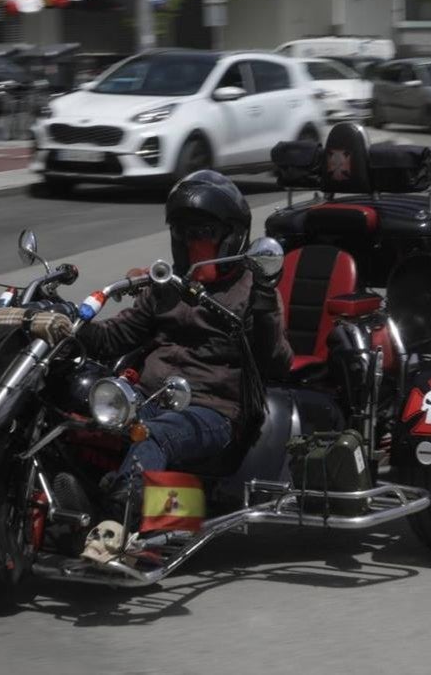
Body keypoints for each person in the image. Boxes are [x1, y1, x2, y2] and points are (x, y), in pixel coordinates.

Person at [74, 170, 293, 560]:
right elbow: (116, 336)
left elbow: (276, 361)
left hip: (212, 411)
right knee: (77, 414)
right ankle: (66, 506)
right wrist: (70, 324)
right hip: (148, 396)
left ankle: (115, 526)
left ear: (230, 234)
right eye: (185, 232)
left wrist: (264, 312)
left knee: (155, 436)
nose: (194, 243)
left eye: (203, 231)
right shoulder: (167, 286)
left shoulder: (252, 289)